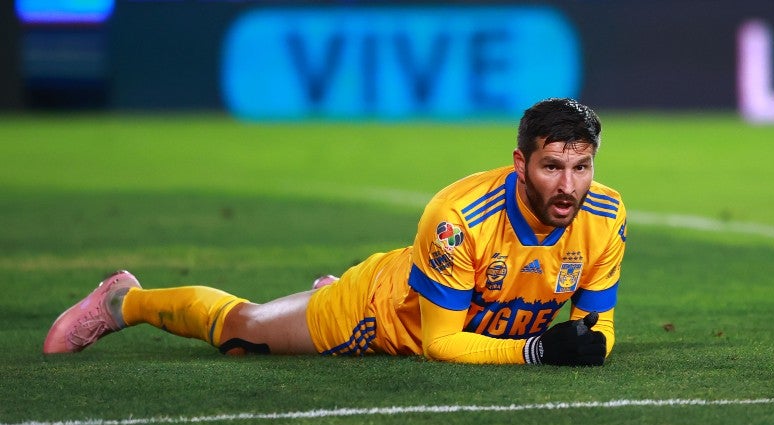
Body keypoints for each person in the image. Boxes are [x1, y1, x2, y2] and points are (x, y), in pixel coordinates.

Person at [43, 98, 627, 366]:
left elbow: (599, 328)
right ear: (520, 163)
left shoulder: (606, 218)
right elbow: (440, 344)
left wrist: (591, 341)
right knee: (242, 333)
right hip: (383, 314)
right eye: (552, 166)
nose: (568, 186)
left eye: (582, 167)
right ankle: (125, 302)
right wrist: (537, 350)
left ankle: (320, 290)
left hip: (460, 317)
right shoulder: (457, 221)